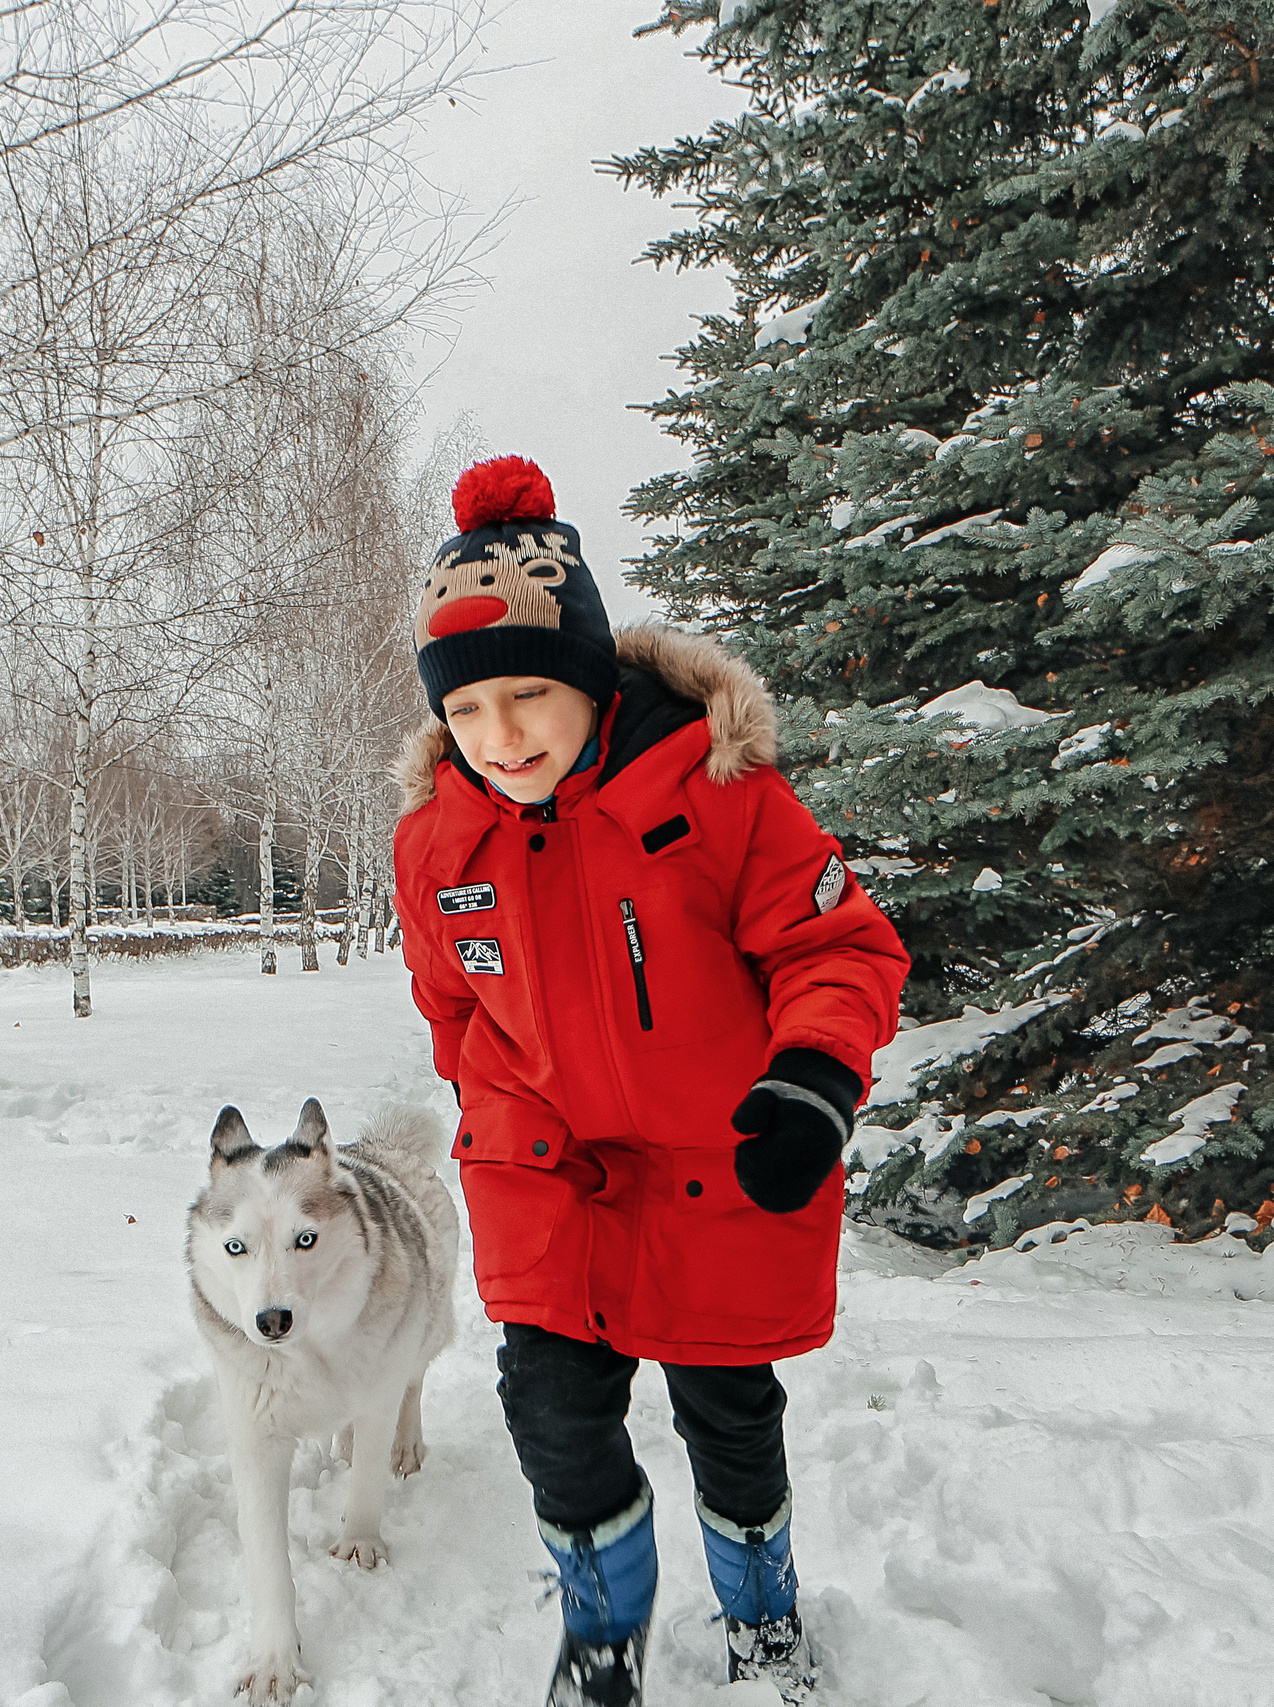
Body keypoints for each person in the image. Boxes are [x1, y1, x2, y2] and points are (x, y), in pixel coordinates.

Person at [391, 457, 908, 1706]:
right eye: (466, 713)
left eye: (527, 696)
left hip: (716, 1175)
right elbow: (454, 1005)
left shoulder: (717, 797)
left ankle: (763, 1620)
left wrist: (811, 1080)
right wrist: (496, 1114)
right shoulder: (435, 841)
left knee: (729, 1420)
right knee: (555, 1430)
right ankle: (602, 1639)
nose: (499, 738)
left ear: (585, 676)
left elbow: (835, 945)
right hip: (548, 1188)